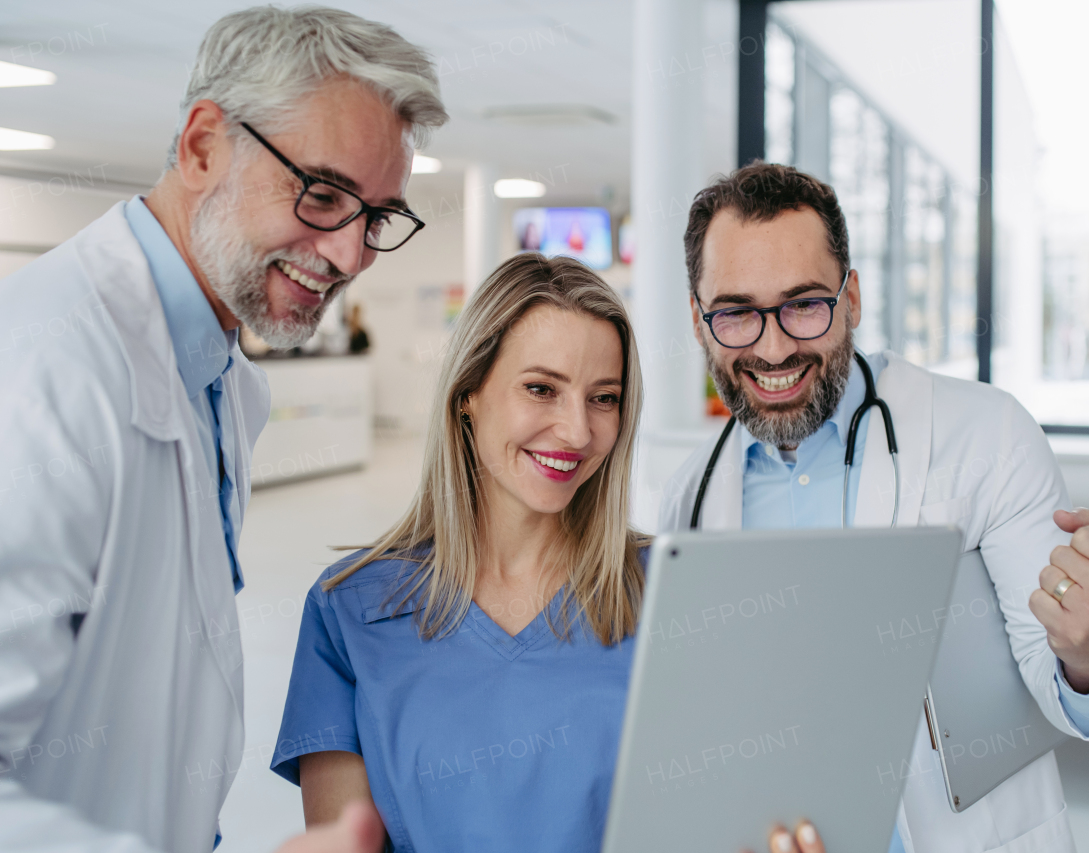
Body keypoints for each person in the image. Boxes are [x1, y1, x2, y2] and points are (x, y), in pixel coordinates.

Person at [0, 7, 446, 851]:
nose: (351, 256)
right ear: (203, 146)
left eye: (378, 216)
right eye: (322, 194)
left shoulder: (225, 385)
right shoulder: (42, 371)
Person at [659, 163, 1089, 853]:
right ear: (700, 320)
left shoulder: (985, 434)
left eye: (803, 304)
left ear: (851, 298)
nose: (772, 347)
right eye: (736, 312)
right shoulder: (691, 498)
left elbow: (1067, 689)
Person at [271, 253, 817, 853]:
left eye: (603, 398)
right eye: (541, 389)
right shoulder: (349, 610)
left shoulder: (674, 592)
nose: (577, 432)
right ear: (467, 395)